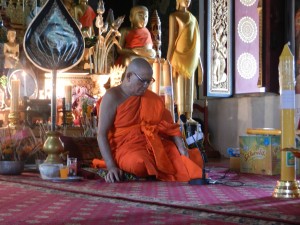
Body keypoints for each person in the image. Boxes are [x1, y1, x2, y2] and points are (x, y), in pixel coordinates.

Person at [93, 58, 203, 183]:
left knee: (184, 160)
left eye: (149, 81)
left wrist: (181, 148)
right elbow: (101, 134)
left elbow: (169, 126)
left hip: (152, 143)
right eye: (142, 81)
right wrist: (111, 166)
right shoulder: (113, 97)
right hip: (124, 148)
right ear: (128, 76)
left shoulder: (151, 98)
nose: (146, 86)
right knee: (140, 164)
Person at [167, 0, 203, 121]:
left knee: (189, 87)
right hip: (178, 57)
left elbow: (197, 43)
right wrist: (167, 61)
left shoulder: (193, 18)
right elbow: (172, 41)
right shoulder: (174, 16)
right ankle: (181, 115)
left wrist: (200, 64)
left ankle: (189, 115)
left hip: (191, 58)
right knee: (180, 86)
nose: (187, 1)